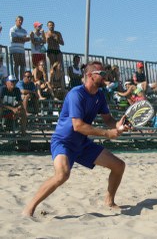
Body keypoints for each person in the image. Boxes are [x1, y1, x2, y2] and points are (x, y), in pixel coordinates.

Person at [22, 61, 127, 217]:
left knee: (119, 166)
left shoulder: (100, 95)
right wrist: (107, 133)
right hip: (63, 142)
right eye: (102, 74)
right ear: (90, 76)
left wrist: (117, 125)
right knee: (62, 175)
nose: (106, 76)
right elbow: (78, 126)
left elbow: (108, 119)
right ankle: (28, 209)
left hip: (82, 143)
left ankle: (109, 201)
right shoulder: (76, 94)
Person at [9, 16, 30, 80]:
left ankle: (21, 79)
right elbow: (14, 39)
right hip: (15, 49)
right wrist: (23, 39)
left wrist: (21, 39)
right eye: (19, 20)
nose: (20, 21)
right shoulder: (13, 29)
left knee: (23, 64)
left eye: (21, 20)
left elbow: (28, 39)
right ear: (16, 21)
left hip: (21, 49)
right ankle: (16, 78)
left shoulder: (24, 30)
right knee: (16, 63)